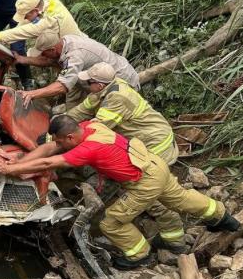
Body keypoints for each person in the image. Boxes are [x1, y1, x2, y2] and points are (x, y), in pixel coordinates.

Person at [0, 115, 239, 269]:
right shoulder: (90, 127)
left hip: (143, 182)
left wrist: (10, 168)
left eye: (62, 141)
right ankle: (222, 216)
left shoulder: (87, 149)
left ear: (71, 137)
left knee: (111, 222)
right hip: (153, 165)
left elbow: (48, 163)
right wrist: (22, 160)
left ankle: (139, 254)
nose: (59, 145)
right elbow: (50, 151)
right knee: (181, 198)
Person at [66, 62, 185, 252]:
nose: (86, 85)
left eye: (89, 82)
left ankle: (174, 240)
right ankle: (171, 235)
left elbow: (96, 131)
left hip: (155, 147)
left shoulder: (116, 98)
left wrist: (57, 141)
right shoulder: (105, 89)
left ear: (99, 84)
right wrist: (59, 122)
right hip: (144, 144)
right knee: (150, 190)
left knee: (151, 194)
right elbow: (80, 111)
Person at [17, 33, 139, 109]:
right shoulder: (64, 42)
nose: (41, 57)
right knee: (74, 107)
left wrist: (32, 94)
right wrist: (22, 59)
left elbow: (62, 86)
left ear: (53, 50)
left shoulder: (74, 56)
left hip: (120, 80)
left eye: (43, 54)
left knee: (108, 115)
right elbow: (50, 61)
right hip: (93, 77)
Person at [0, 0, 80, 51]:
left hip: (76, 48)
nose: (25, 19)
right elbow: (22, 26)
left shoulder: (52, 18)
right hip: (62, 41)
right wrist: (4, 38)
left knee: (42, 42)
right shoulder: (48, 1)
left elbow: (24, 31)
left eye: (25, 16)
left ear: (35, 10)